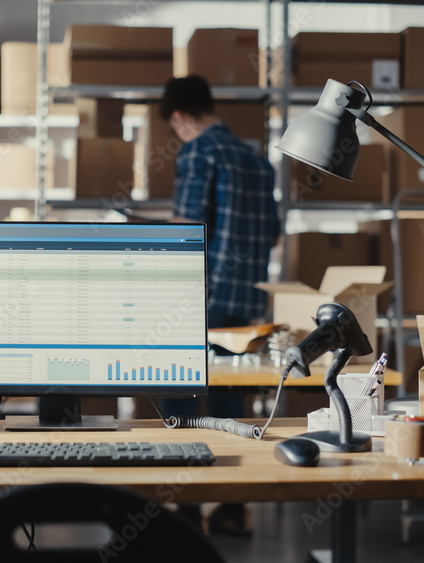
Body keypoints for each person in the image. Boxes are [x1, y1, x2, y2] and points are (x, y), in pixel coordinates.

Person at [159, 75, 281, 536]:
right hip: (244, 299)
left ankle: (185, 510)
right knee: (233, 400)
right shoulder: (256, 159)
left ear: (180, 117)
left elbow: (185, 229)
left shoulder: (197, 151)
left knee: (180, 398)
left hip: (199, 295)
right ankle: (231, 508)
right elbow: (271, 234)